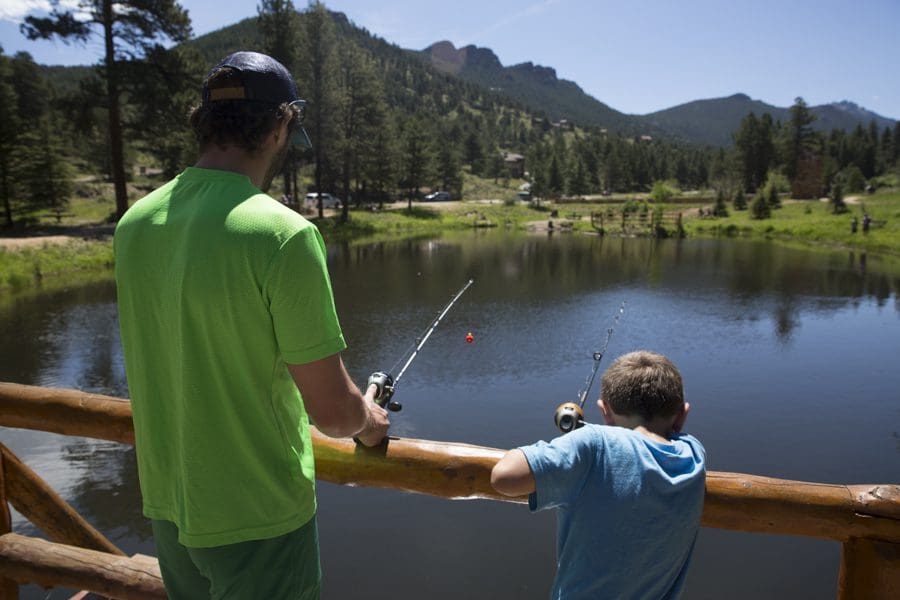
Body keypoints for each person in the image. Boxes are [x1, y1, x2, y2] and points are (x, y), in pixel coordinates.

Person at [114, 51, 390, 600]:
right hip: (258, 517)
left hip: (169, 507)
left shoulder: (135, 223)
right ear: (281, 126)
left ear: (205, 123)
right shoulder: (281, 235)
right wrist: (371, 422)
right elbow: (334, 415)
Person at [491, 350, 706, 600]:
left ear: (605, 412)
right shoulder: (693, 453)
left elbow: (503, 477)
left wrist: (574, 440)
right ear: (683, 415)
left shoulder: (594, 443)